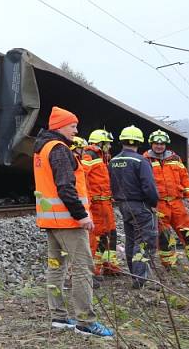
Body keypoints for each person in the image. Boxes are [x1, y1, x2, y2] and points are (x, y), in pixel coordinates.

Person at [34, 106, 114, 338]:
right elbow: (66, 188)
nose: (76, 130)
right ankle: (85, 321)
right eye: (73, 126)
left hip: (51, 221)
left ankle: (58, 316)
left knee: (56, 267)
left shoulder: (42, 148)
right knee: (82, 269)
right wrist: (82, 215)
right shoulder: (59, 149)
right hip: (69, 222)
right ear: (60, 127)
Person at [144, 129, 189, 271]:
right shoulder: (145, 159)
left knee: (187, 232)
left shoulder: (175, 159)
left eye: (162, 143)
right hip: (159, 204)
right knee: (164, 237)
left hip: (177, 203)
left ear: (166, 144)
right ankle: (169, 265)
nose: (159, 146)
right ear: (151, 144)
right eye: (156, 143)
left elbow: (185, 179)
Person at [109, 125, 159, 289]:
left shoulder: (113, 161)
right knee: (144, 241)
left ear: (122, 141)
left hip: (123, 206)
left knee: (131, 241)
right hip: (141, 206)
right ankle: (141, 279)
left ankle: (134, 274)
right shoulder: (141, 161)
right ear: (139, 142)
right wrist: (154, 203)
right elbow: (149, 187)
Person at [81, 129, 122, 277]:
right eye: (108, 144)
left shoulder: (102, 157)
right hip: (97, 205)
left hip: (105, 204)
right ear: (101, 143)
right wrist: (89, 201)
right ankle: (94, 272)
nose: (110, 147)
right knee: (97, 238)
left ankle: (110, 266)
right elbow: (82, 178)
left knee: (110, 234)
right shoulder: (89, 155)